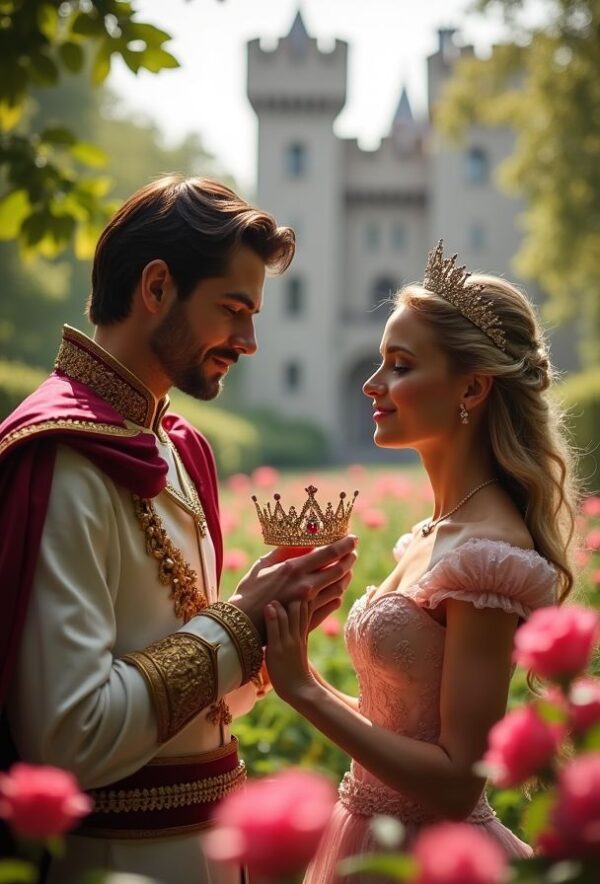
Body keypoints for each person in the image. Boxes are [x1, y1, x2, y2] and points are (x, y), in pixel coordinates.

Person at [0, 175, 357, 884]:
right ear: (156, 288)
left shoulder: (176, 444)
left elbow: (195, 708)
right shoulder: (64, 452)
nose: (250, 341)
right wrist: (234, 624)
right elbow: (68, 740)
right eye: (233, 309)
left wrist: (266, 629)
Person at [264, 241, 579, 882]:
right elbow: (398, 731)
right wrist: (300, 671)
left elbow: (457, 782)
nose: (371, 383)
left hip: (428, 859)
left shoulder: (489, 553)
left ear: (472, 386)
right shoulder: (433, 534)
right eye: (380, 361)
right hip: (364, 835)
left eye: (400, 365)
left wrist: (303, 693)